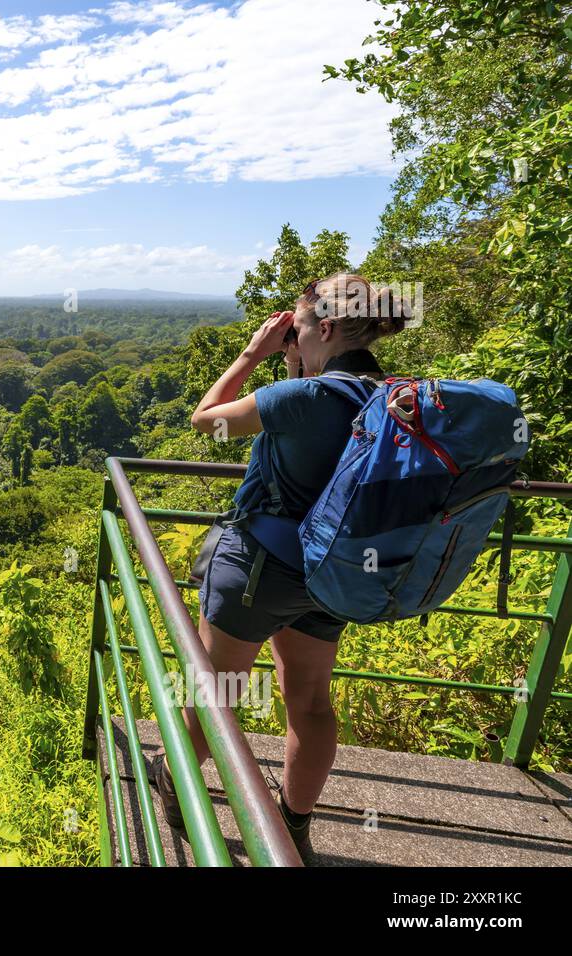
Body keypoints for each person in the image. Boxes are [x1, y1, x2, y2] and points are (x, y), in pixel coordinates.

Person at [149, 273, 408, 862]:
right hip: (333, 574)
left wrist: (252, 353)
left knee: (216, 693)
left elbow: (206, 419)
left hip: (260, 569)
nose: (291, 332)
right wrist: (297, 364)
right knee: (311, 701)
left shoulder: (303, 399)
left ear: (330, 326)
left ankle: (175, 782)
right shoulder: (389, 396)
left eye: (298, 322)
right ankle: (293, 825)